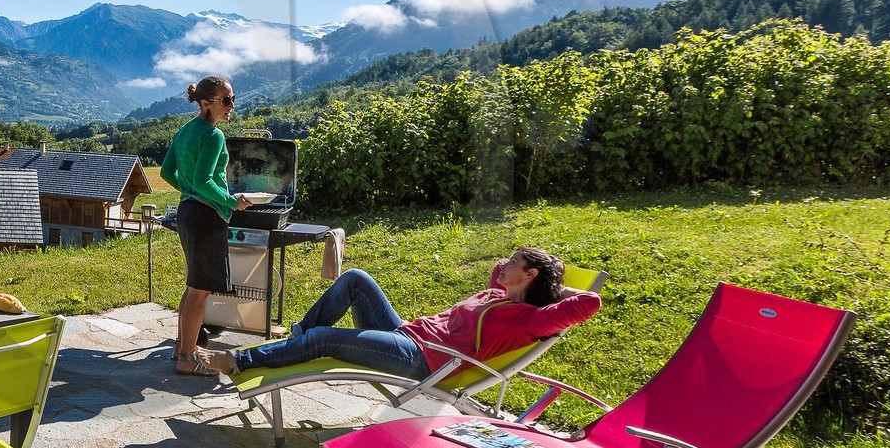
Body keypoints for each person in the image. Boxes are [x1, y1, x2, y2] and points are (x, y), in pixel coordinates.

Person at [196, 248, 599, 379]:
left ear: (530, 275)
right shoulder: (500, 291)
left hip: (426, 360)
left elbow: (589, 304)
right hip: (407, 334)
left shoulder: (531, 319)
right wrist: (523, 275)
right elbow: (498, 271)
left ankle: (237, 361)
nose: (503, 264)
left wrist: (552, 284)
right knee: (355, 279)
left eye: (515, 263)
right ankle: (295, 337)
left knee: (323, 342)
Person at [160, 75, 251, 375]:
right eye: (225, 101)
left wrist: (187, 191)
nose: (231, 106)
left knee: (193, 286)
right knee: (198, 291)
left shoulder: (185, 130)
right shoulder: (213, 136)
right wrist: (230, 201)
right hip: (205, 217)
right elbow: (204, 181)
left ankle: (181, 347)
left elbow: (166, 172)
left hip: (188, 213)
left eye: (232, 99)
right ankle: (188, 358)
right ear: (205, 103)